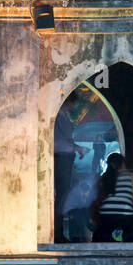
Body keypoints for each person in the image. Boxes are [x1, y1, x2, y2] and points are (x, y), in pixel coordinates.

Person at [91, 153, 133, 243]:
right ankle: (127, 239)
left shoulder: (104, 177)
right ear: (123, 163)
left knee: (106, 233)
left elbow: (97, 197)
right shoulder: (131, 176)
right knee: (128, 231)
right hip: (126, 216)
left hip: (105, 216)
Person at [54, 93, 81, 243]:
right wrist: (75, 147)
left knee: (63, 197)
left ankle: (59, 232)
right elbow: (57, 142)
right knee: (61, 197)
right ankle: (57, 233)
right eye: (73, 103)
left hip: (65, 159)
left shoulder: (63, 117)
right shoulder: (58, 118)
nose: (74, 107)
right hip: (61, 159)